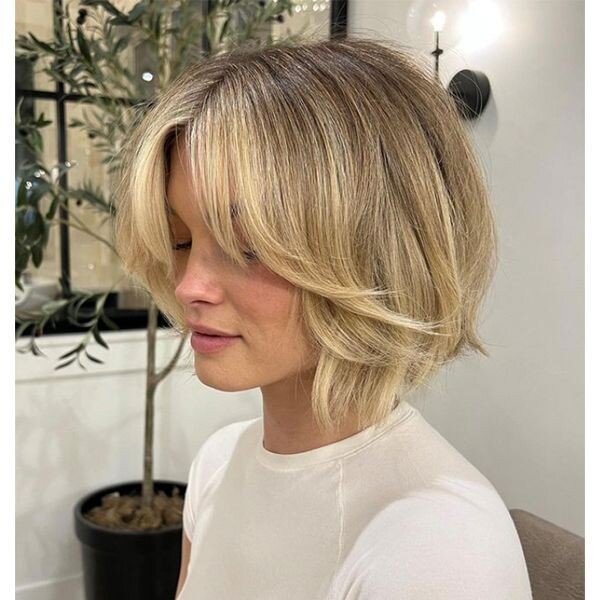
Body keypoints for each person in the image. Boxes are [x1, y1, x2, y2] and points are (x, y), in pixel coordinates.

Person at [114, 37, 532, 600]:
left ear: (376, 252)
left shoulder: (439, 549)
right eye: (181, 239)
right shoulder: (218, 462)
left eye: (247, 246)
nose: (188, 286)